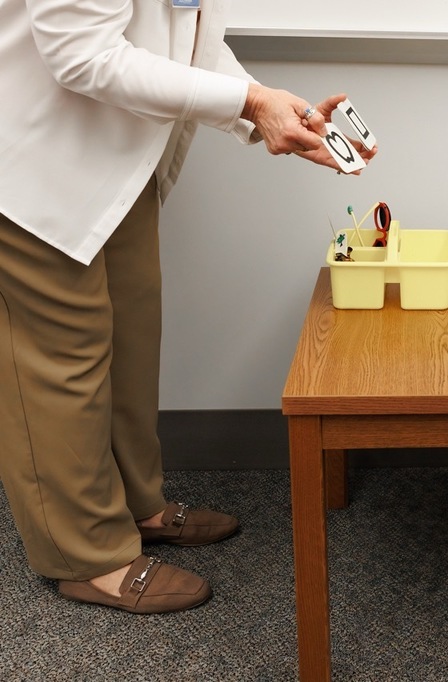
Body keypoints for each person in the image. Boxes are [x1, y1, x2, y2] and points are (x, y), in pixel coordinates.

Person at [0, 0, 376, 614]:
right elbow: (78, 51)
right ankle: (85, 555)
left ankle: (134, 506)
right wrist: (249, 105)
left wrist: (267, 103)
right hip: (32, 162)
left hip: (111, 160)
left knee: (132, 331)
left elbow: (185, 34)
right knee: (60, 356)